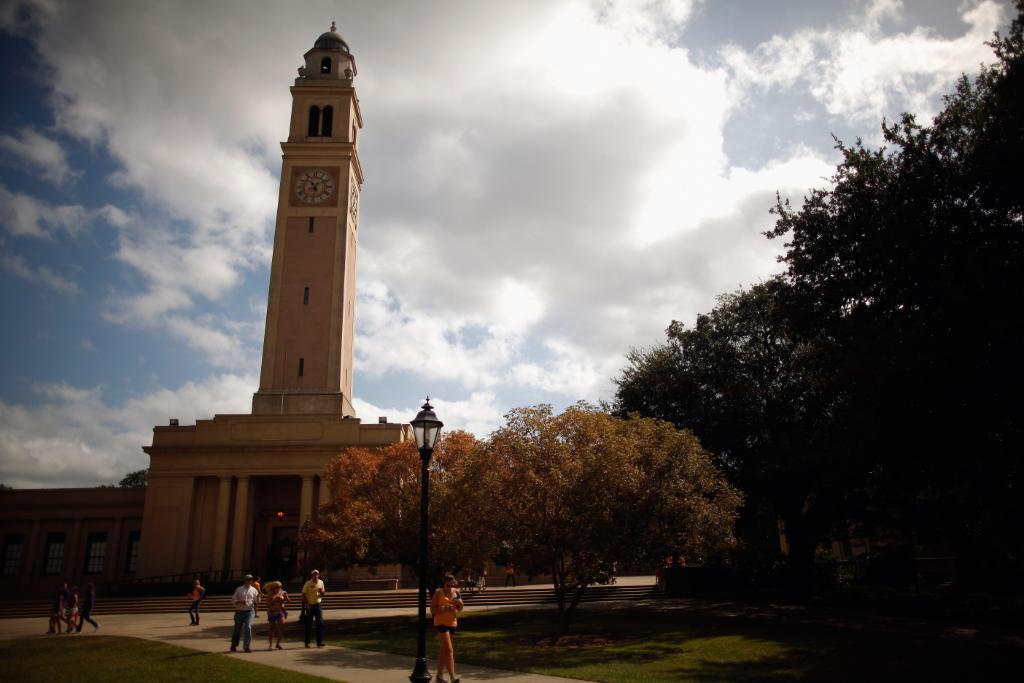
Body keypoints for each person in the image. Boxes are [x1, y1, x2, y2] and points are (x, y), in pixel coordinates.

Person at [431, 573, 464, 683]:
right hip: (441, 623)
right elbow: (432, 609)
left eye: (451, 585)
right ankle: (452, 677)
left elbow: (460, 608)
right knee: (449, 649)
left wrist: (459, 604)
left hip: (452, 623)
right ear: (443, 585)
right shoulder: (438, 592)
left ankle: (439, 676)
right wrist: (444, 608)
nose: (450, 588)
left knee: (443, 650)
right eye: (447, 585)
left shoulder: (456, 592)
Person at [229, 574, 259, 653]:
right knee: (237, 629)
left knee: (248, 627)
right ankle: (233, 645)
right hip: (239, 612)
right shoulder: (239, 589)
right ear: (244, 580)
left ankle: (246, 647)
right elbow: (233, 600)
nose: (249, 581)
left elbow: (256, 601)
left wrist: (258, 597)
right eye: (248, 579)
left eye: (251, 579)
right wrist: (239, 601)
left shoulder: (254, 590)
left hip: (249, 611)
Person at [301, 568, 326, 648]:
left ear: (318, 575)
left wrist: (321, 592)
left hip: (318, 605)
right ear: (311, 575)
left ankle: (319, 642)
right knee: (309, 624)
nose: (315, 575)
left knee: (320, 623)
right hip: (310, 606)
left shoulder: (321, 582)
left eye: (316, 574)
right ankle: (307, 642)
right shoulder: (308, 583)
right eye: (314, 574)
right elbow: (303, 594)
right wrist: (306, 604)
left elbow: (323, 593)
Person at [265, 581, 289, 650]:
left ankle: (278, 643)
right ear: (273, 588)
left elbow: (288, 601)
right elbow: (268, 605)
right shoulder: (270, 594)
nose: (278, 588)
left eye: (280, 587)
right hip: (272, 612)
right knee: (271, 629)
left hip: (279, 612)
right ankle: (270, 645)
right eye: (277, 587)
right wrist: (274, 599)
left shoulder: (283, 592)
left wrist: (286, 598)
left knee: (282, 626)